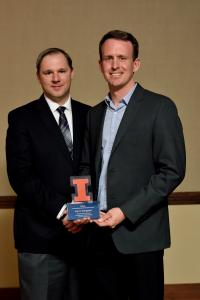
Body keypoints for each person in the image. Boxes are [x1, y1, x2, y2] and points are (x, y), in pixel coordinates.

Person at [79, 30, 186, 300]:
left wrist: (125, 212)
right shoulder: (94, 114)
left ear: (135, 63)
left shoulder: (160, 108)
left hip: (141, 236)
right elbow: (84, 167)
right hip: (97, 235)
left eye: (122, 58)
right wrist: (82, 209)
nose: (115, 65)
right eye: (108, 58)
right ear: (100, 64)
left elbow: (172, 171)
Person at [6, 48, 90, 300]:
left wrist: (81, 214)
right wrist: (65, 211)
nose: (56, 78)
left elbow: (94, 168)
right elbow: (21, 176)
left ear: (72, 73)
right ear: (38, 76)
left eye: (61, 71)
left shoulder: (91, 115)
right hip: (40, 239)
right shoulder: (21, 118)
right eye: (48, 72)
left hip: (85, 239)